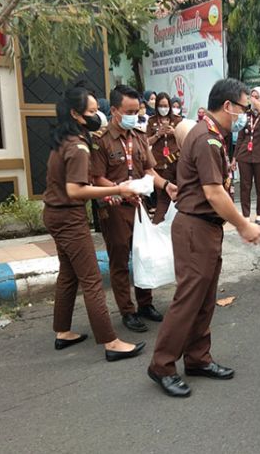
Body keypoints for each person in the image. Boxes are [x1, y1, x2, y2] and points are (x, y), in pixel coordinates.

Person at [148, 78, 260, 397]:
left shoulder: (214, 135)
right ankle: (162, 365)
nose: (245, 114)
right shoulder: (208, 140)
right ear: (228, 106)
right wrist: (244, 224)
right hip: (195, 227)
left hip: (205, 228)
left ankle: (198, 358)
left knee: (204, 298)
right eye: (244, 108)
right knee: (188, 300)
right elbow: (214, 193)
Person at [42, 85, 146, 362]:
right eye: (90, 111)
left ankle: (62, 331)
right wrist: (117, 190)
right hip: (68, 217)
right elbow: (76, 189)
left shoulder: (65, 139)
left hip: (55, 214)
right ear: (76, 114)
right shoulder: (77, 146)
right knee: (91, 280)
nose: (96, 114)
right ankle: (111, 342)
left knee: (68, 274)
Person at [91, 85, 176, 333]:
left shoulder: (139, 136)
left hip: (139, 206)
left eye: (136, 111)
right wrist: (118, 189)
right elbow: (96, 177)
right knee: (119, 261)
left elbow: (149, 171)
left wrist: (167, 185)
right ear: (115, 110)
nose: (134, 115)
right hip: (115, 209)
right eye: (128, 111)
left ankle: (145, 304)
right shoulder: (101, 141)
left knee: (143, 255)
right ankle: (127, 311)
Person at [231, 86, 260, 224]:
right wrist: (234, 157)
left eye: (257, 97)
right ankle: (245, 215)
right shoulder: (246, 115)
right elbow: (240, 138)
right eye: (252, 97)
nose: (253, 100)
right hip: (245, 155)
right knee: (245, 186)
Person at [146, 92, 183, 223]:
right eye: (161, 105)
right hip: (158, 165)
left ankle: (177, 221)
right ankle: (158, 224)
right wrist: (158, 134)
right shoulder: (151, 121)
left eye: (166, 105)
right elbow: (146, 142)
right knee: (162, 197)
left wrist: (175, 132)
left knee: (178, 193)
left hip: (175, 163)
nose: (164, 108)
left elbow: (185, 139)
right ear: (156, 106)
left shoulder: (178, 120)